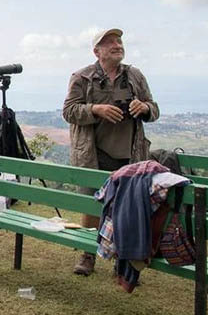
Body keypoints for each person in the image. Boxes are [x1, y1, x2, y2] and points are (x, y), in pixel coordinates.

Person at [62, 28, 159, 276]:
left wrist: (144, 107)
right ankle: (87, 255)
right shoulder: (82, 77)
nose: (117, 45)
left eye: (119, 41)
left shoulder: (134, 75)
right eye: (110, 43)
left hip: (131, 155)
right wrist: (96, 110)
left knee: (127, 209)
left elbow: (154, 109)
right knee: (92, 207)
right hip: (94, 154)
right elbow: (69, 111)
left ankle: (123, 261)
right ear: (97, 51)